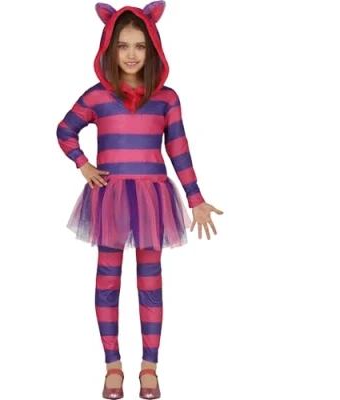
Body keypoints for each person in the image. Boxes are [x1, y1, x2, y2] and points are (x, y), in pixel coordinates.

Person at [56, 1, 224, 398]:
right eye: (123, 46)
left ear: (153, 49)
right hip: (109, 197)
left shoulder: (166, 99)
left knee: (150, 281)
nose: (131, 54)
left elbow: (178, 149)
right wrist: (83, 164)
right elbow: (65, 130)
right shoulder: (97, 97)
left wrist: (195, 198)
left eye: (140, 46)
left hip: (152, 199)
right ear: (109, 48)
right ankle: (112, 366)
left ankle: (149, 366)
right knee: (107, 280)